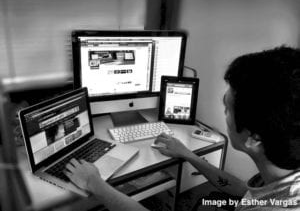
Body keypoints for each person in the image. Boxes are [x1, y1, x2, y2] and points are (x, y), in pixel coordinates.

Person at [64, 46, 300, 210]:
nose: (225, 115)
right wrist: (188, 155)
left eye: (227, 109)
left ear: (253, 138)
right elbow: (245, 195)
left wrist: (95, 184)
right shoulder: (284, 183)